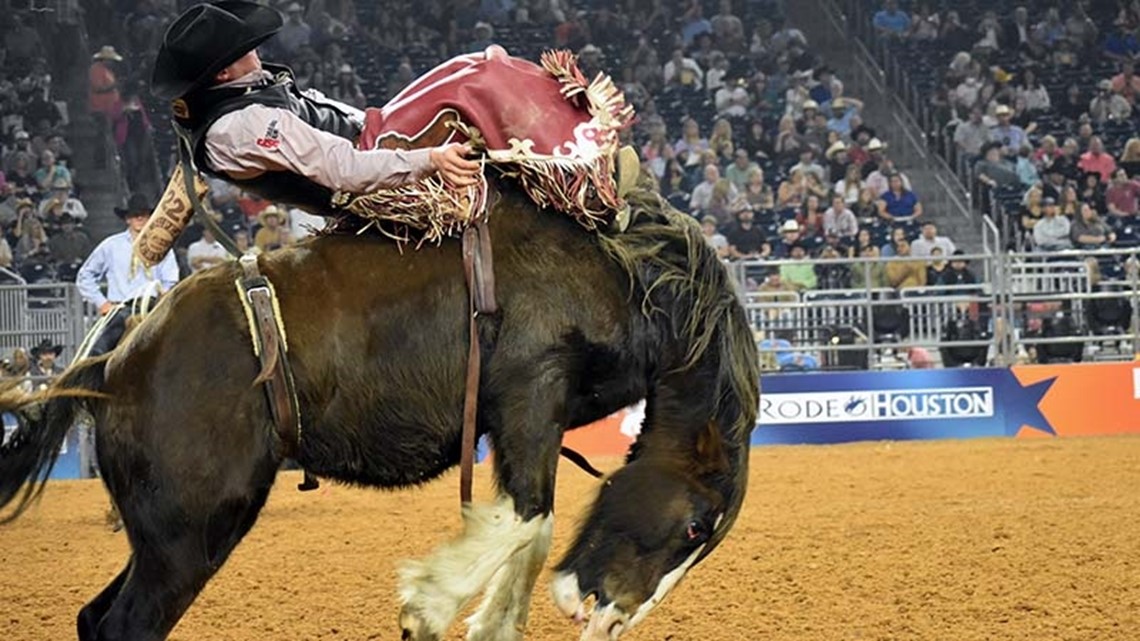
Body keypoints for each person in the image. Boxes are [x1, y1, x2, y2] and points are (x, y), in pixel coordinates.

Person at [151, 1, 480, 220]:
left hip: (377, 138)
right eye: (246, 49)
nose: (256, 51)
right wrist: (431, 159)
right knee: (476, 86)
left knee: (466, 69)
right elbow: (344, 168)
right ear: (223, 73)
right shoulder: (243, 127)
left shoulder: (239, 95)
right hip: (373, 173)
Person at [76, 193, 180, 356]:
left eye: (143, 214)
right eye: (134, 214)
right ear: (127, 219)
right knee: (98, 351)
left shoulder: (163, 246)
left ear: (150, 217)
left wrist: (164, 296)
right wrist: (102, 303)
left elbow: (170, 281)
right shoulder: (111, 246)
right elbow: (85, 276)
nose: (139, 217)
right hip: (120, 308)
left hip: (153, 307)